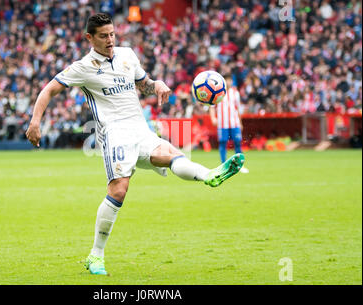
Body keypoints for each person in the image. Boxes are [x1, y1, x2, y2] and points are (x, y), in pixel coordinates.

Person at [26, 13, 245, 276]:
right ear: (89, 38)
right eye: (103, 36)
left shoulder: (127, 54)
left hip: (140, 128)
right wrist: (35, 122)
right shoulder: (83, 67)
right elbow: (48, 89)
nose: (110, 40)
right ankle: (96, 255)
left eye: (112, 34)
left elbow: (145, 85)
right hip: (115, 134)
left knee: (173, 155)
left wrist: (158, 85)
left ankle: (209, 175)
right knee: (119, 190)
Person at [209, 75, 249, 173]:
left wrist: (240, 122)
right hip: (222, 123)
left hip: (234, 122)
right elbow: (212, 106)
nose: (228, 82)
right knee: (222, 143)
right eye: (226, 80)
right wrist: (213, 118)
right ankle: (223, 166)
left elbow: (238, 108)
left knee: (237, 142)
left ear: (232, 81)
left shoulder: (235, 93)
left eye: (230, 80)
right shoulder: (217, 93)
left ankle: (239, 166)